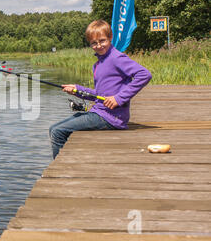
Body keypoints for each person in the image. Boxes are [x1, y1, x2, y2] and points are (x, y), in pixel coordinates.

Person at [49, 20, 152, 159]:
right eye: (94, 43)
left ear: (110, 37)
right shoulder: (99, 63)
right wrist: (77, 89)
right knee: (53, 129)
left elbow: (144, 75)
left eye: (102, 41)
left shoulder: (116, 58)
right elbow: (100, 95)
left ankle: (58, 171)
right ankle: (69, 162)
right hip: (100, 113)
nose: (98, 46)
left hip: (110, 117)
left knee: (57, 131)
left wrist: (119, 98)